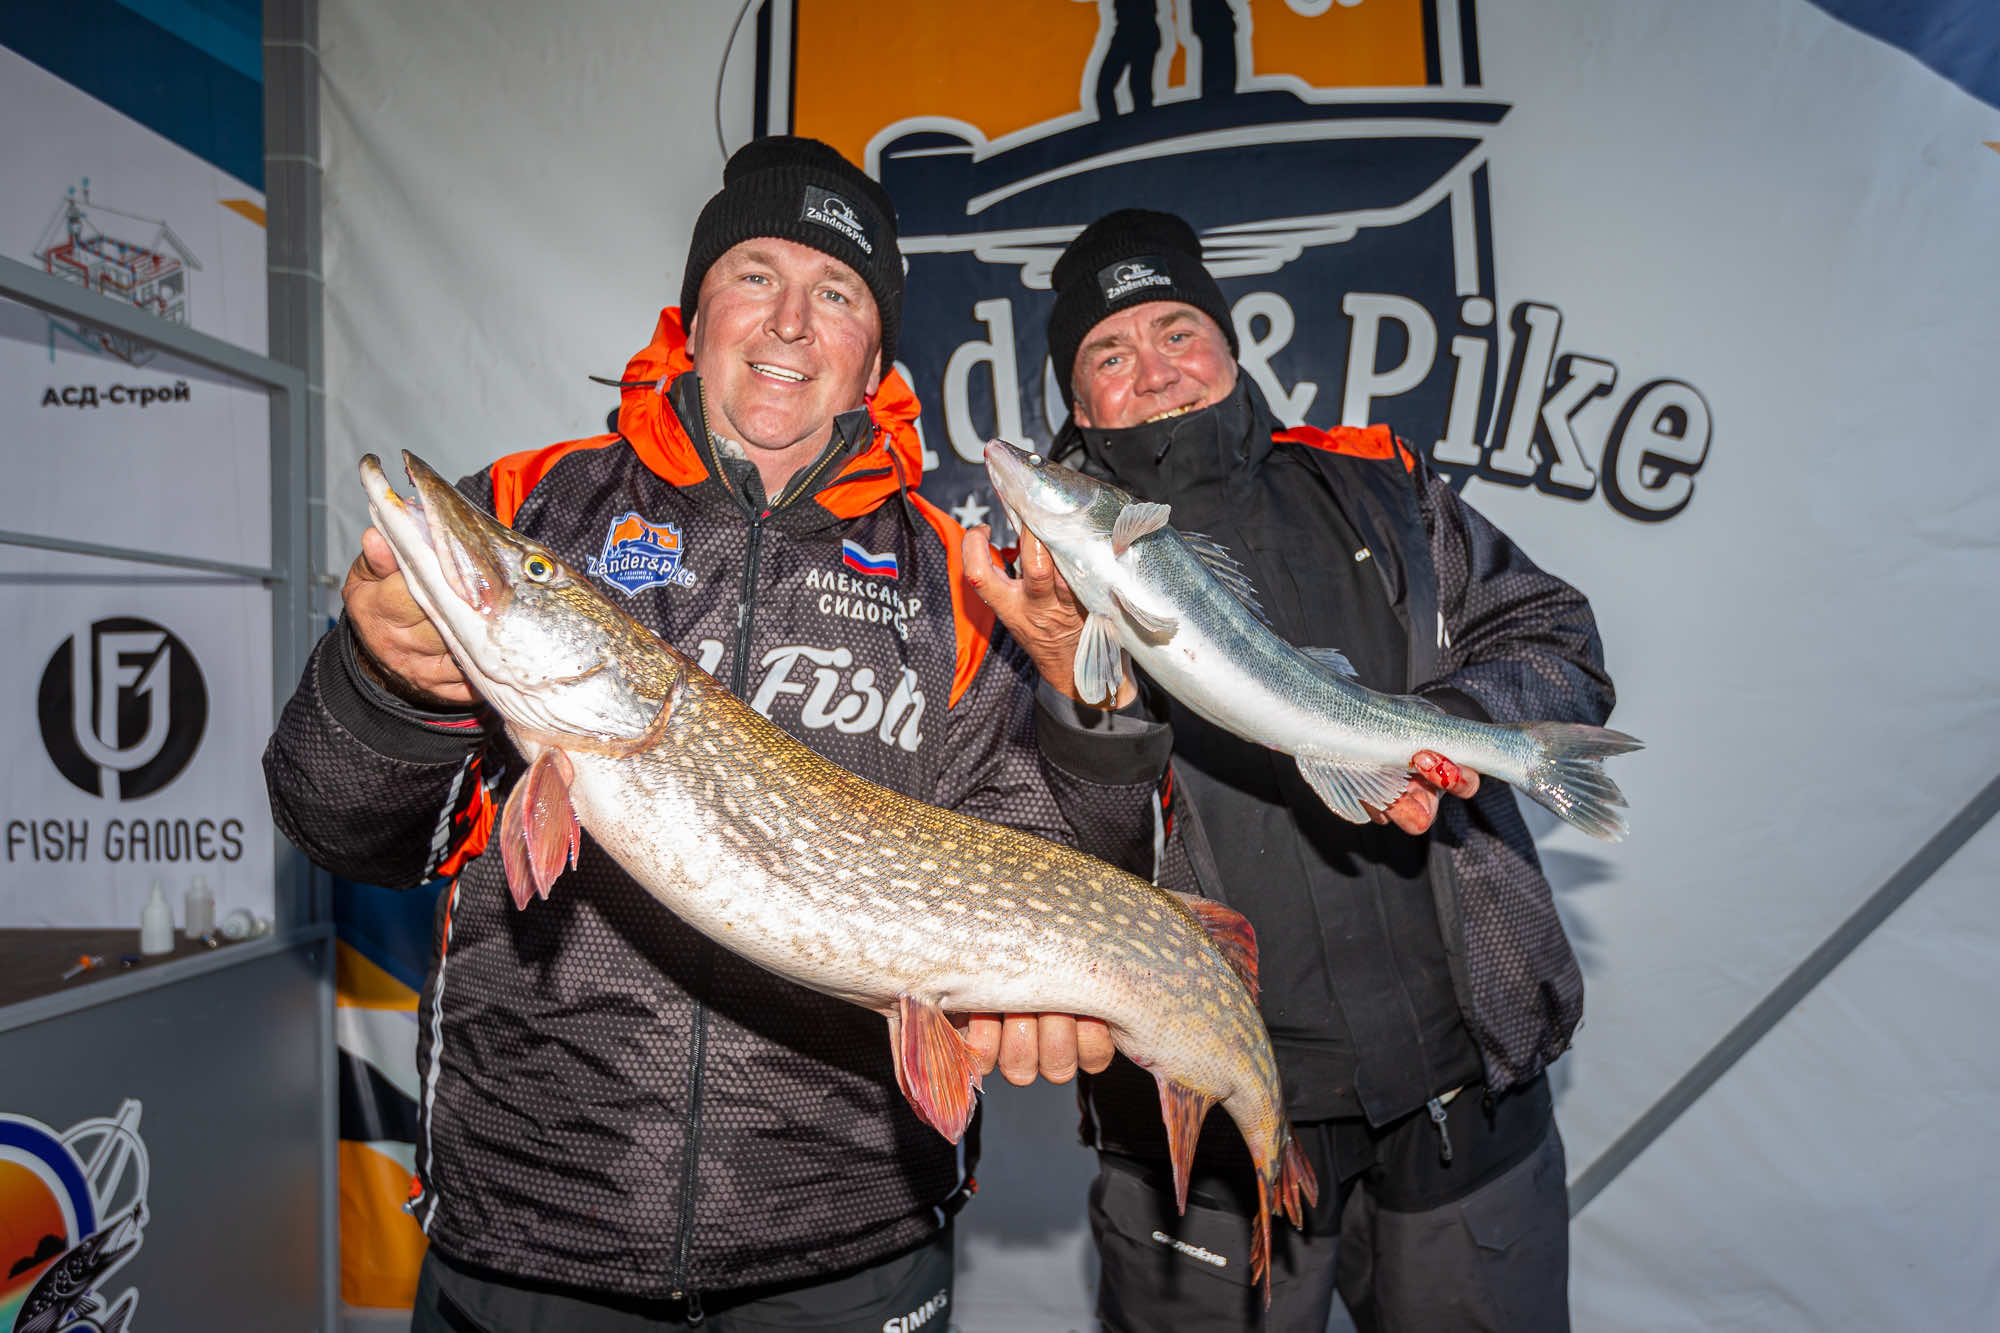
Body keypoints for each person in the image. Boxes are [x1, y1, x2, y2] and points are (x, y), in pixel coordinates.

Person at [263, 138, 1154, 1333]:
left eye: (836, 294)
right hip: (533, 1228)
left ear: (875, 355)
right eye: (754, 275)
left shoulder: (961, 577)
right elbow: (342, 825)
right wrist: (387, 682)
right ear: (692, 317)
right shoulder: (532, 506)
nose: (789, 322)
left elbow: (1050, 857)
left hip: (847, 1245)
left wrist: (1093, 716)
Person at [964, 208, 1619, 1331]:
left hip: (1464, 1106)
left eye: (1177, 330)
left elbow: (1553, 637)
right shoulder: (1030, 589)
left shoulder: (1376, 483)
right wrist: (1077, 688)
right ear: (1076, 406)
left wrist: (1447, 732)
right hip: (1204, 1136)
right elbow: (1041, 845)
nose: (1154, 370)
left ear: (1228, 345)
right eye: (1109, 354)